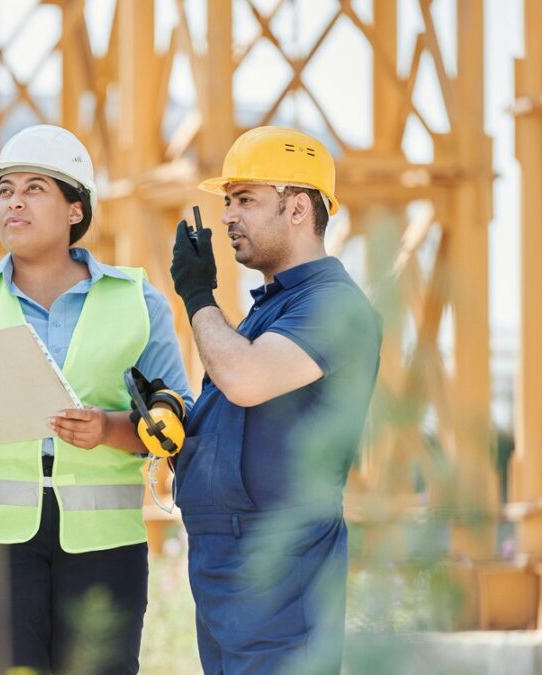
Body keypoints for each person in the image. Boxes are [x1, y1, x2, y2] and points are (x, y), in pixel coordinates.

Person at [0, 124, 192, 674]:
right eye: (5, 191)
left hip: (104, 541)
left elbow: (178, 414)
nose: (14, 202)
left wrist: (109, 428)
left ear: (75, 209)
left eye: (34, 189)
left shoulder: (136, 302)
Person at [168, 126, 382, 674]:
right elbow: (239, 414)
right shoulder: (270, 311)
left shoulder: (334, 307)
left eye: (246, 200)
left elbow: (245, 378)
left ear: (298, 207)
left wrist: (197, 294)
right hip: (226, 568)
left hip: (281, 573)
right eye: (227, 202)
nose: (228, 216)